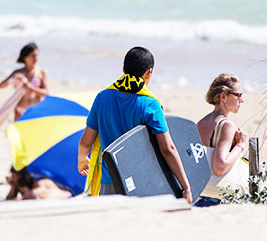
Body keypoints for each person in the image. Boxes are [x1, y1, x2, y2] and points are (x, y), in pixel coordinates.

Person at [77, 46, 192, 202]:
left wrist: (82, 159)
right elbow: (167, 149)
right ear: (149, 72)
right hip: (139, 182)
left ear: (123, 69)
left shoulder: (103, 97)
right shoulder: (150, 104)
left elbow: (86, 141)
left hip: (109, 179)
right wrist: (186, 186)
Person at [195, 73, 250, 206]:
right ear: (223, 96)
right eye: (238, 95)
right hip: (219, 199)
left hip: (202, 195)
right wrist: (241, 145)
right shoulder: (226, 126)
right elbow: (220, 166)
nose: (241, 100)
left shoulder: (201, 124)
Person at [0, 42, 49, 120]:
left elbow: (45, 92)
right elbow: (1, 86)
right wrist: (11, 79)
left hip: (36, 110)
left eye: (37, 55)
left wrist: (30, 87)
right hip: (20, 110)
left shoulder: (41, 72)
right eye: (33, 56)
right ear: (25, 57)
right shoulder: (18, 72)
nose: (36, 58)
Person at [4, 166, 71, 200]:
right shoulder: (43, 182)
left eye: (13, 176)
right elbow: (9, 198)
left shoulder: (41, 185)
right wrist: (13, 186)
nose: (12, 178)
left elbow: (10, 201)